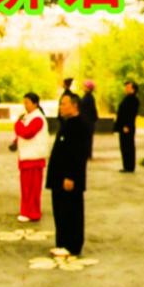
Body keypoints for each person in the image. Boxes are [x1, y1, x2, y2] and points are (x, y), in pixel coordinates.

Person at [47, 94, 90, 256]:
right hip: (58, 176)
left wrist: (71, 176)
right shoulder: (67, 123)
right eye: (60, 104)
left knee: (71, 211)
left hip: (69, 177)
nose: (61, 107)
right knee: (60, 210)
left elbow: (78, 154)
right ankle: (62, 243)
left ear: (74, 105)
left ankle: (72, 245)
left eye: (64, 104)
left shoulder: (79, 125)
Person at [13, 93, 49, 223]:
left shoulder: (38, 118)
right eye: (24, 102)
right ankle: (26, 211)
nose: (25, 105)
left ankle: (32, 213)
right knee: (26, 188)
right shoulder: (28, 116)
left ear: (35, 103)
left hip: (34, 158)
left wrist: (17, 124)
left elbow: (27, 133)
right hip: (27, 157)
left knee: (32, 189)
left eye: (27, 102)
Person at [114, 81, 140, 173]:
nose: (126, 89)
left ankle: (129, 166)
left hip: (127, 127)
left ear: (133, 89)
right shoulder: (127, 98)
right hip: (123, 127)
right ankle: (126, 165)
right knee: (124, 146)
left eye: (128, 87)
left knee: (128, 146)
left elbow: (131, 114)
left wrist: (127, 125)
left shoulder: (134, 100)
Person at [79, 80, 99, 159]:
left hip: (88, 121)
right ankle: (87, 153)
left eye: (85, 86)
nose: (83, 88)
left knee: (87, 138)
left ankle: (87, 153)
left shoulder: (89, 97)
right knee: (87, 138)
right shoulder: (87, 97)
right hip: (88, 121)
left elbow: (92, 110)